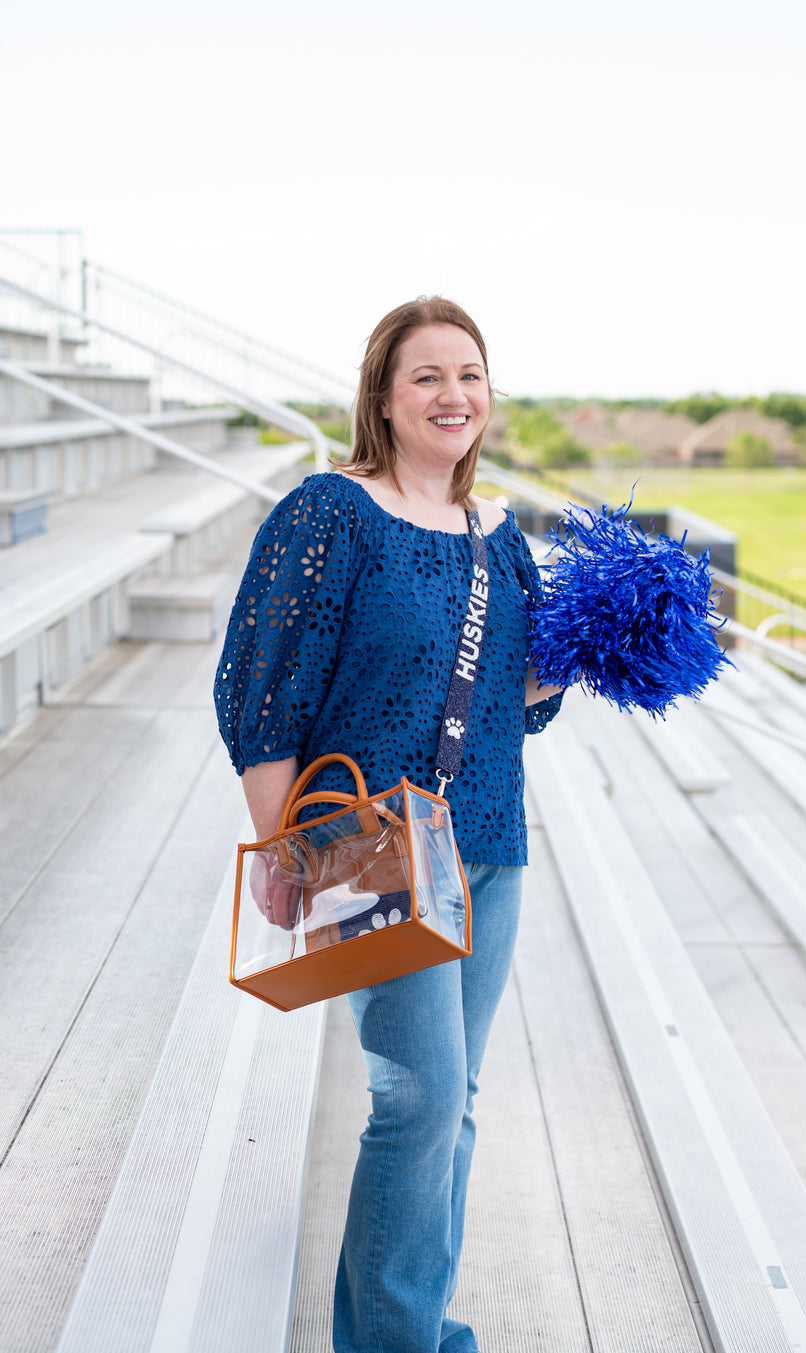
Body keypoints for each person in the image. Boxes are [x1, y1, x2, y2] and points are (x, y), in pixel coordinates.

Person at [214, 296, 563, 1353]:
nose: (454, 394)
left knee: (451, 1102)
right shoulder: (329, 514)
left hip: (491, 844)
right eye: (427, 376)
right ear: (382, 397)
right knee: (412, 1105)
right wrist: (285, 850)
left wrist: (596, 651)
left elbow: (518, 703)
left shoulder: (498, 534)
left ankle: (413, 1330)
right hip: (372, 851)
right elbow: (261, 692)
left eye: (471, 374)